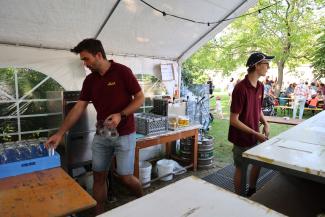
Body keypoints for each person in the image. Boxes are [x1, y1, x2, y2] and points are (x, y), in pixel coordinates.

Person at [45, 38, 144, 215]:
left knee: (125, 177)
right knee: (98, 175)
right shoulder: (90, 80)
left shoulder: (122, 72)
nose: (85, 63)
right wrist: (60, 133)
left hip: (125, 133)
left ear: (98, 55)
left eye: (86, 59)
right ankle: (100, 212)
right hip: (103, 134)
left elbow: (140, 98)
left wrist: (121, 115)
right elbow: (78, 107)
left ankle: (143, 199)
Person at [228, 52, 272, 196]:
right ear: (256, 66)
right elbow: (234, 120)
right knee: (241, 167)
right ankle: (239, 197)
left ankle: (251, 190)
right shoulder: (240, 88)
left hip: (255, 135)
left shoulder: (260, 86)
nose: (268, 67)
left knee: (257, 163)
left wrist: (265, 122)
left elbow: (257, 108)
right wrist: (255, 133)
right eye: (266, 63)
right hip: (242, 137)